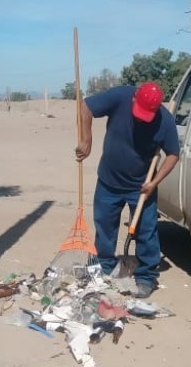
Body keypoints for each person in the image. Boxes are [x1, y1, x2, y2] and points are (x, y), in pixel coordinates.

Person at [76, 82, 180, 298]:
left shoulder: (165, 121)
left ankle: (146, 276)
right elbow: (86, 106)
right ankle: (105, 265)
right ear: (134, 98)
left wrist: (154, 182)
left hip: (141, 187)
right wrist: (87, 139)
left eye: (147, 114)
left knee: (146, 232)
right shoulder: (120, 96)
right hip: (108, 180)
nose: (142, 118)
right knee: (104, 225)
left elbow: (173, 154)